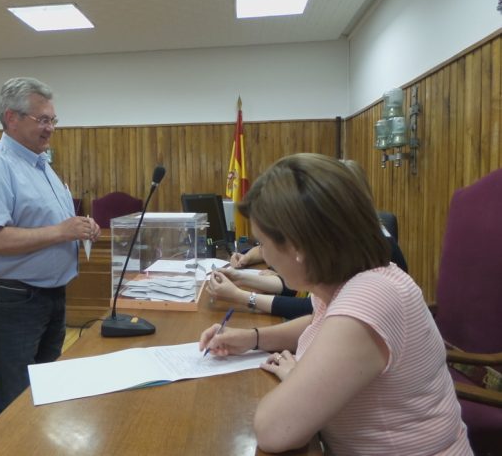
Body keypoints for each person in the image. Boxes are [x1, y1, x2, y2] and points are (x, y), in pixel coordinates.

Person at [199, 153, 471, 455]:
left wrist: (297, 376)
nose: (263, 254)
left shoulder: (372, 296)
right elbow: (320, 320)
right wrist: (253, 338)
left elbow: (273, 430)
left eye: (263, 243)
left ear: (298, 246)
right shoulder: (346, 282)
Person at [0, 77, 100, 422]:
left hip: (49, 295)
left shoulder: (41, 166)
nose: (50, 128)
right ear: (12, 118)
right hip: (12, 299)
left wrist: (79, 228)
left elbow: (52, 224)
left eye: (53, 120)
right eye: (42, 119)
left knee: (43, 391)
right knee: (13, 398)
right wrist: (60, 231)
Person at [211, 159, 408, 319]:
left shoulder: (368, 282)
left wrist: (241, 296)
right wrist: (240, 278)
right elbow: (314, 308)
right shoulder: (343, 255)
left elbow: (309, 310)